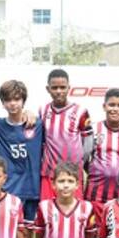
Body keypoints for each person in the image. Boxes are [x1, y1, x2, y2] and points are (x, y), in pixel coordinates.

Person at [0, 79, 44, 231]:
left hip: (32, 188)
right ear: (2, 103)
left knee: (27, 233)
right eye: (8, 100)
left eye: (16, 99)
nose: (12, 103)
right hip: (8, 189)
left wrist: (30, 114)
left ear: (23, 101)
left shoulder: (37, 125)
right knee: (8, 231)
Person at [37, 69, 92, 200]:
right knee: (47, 211)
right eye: (54, 87)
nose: (59, 91)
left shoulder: (80, 111)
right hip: (49, 172)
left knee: (73, 212)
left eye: (63, 87)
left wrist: (79, 162)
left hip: (72, 174)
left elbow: (88, 142)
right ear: (48, 89)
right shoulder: (42, 110)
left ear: (69, 88)